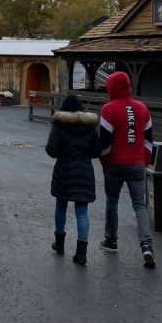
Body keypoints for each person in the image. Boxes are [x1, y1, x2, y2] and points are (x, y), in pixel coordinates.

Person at [99, 71, 156, 268]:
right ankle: (146, 245)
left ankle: (111, 240)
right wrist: (145, 162)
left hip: (114, 164)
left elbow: (105, 143)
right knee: (140, 205)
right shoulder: (142, 108)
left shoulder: (108, 109)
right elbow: (148, 140)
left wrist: (103, 160)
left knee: (112, 202)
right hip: (137, 163)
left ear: (111, 88)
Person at [46, 94, 100, 266]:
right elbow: (97, 151)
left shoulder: (59, 125)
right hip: (85, 171)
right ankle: (81, 253)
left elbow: (51, 150)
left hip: (64, 170)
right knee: (82, 212)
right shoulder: (89, 127)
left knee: (61, 207)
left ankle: (60, 244)